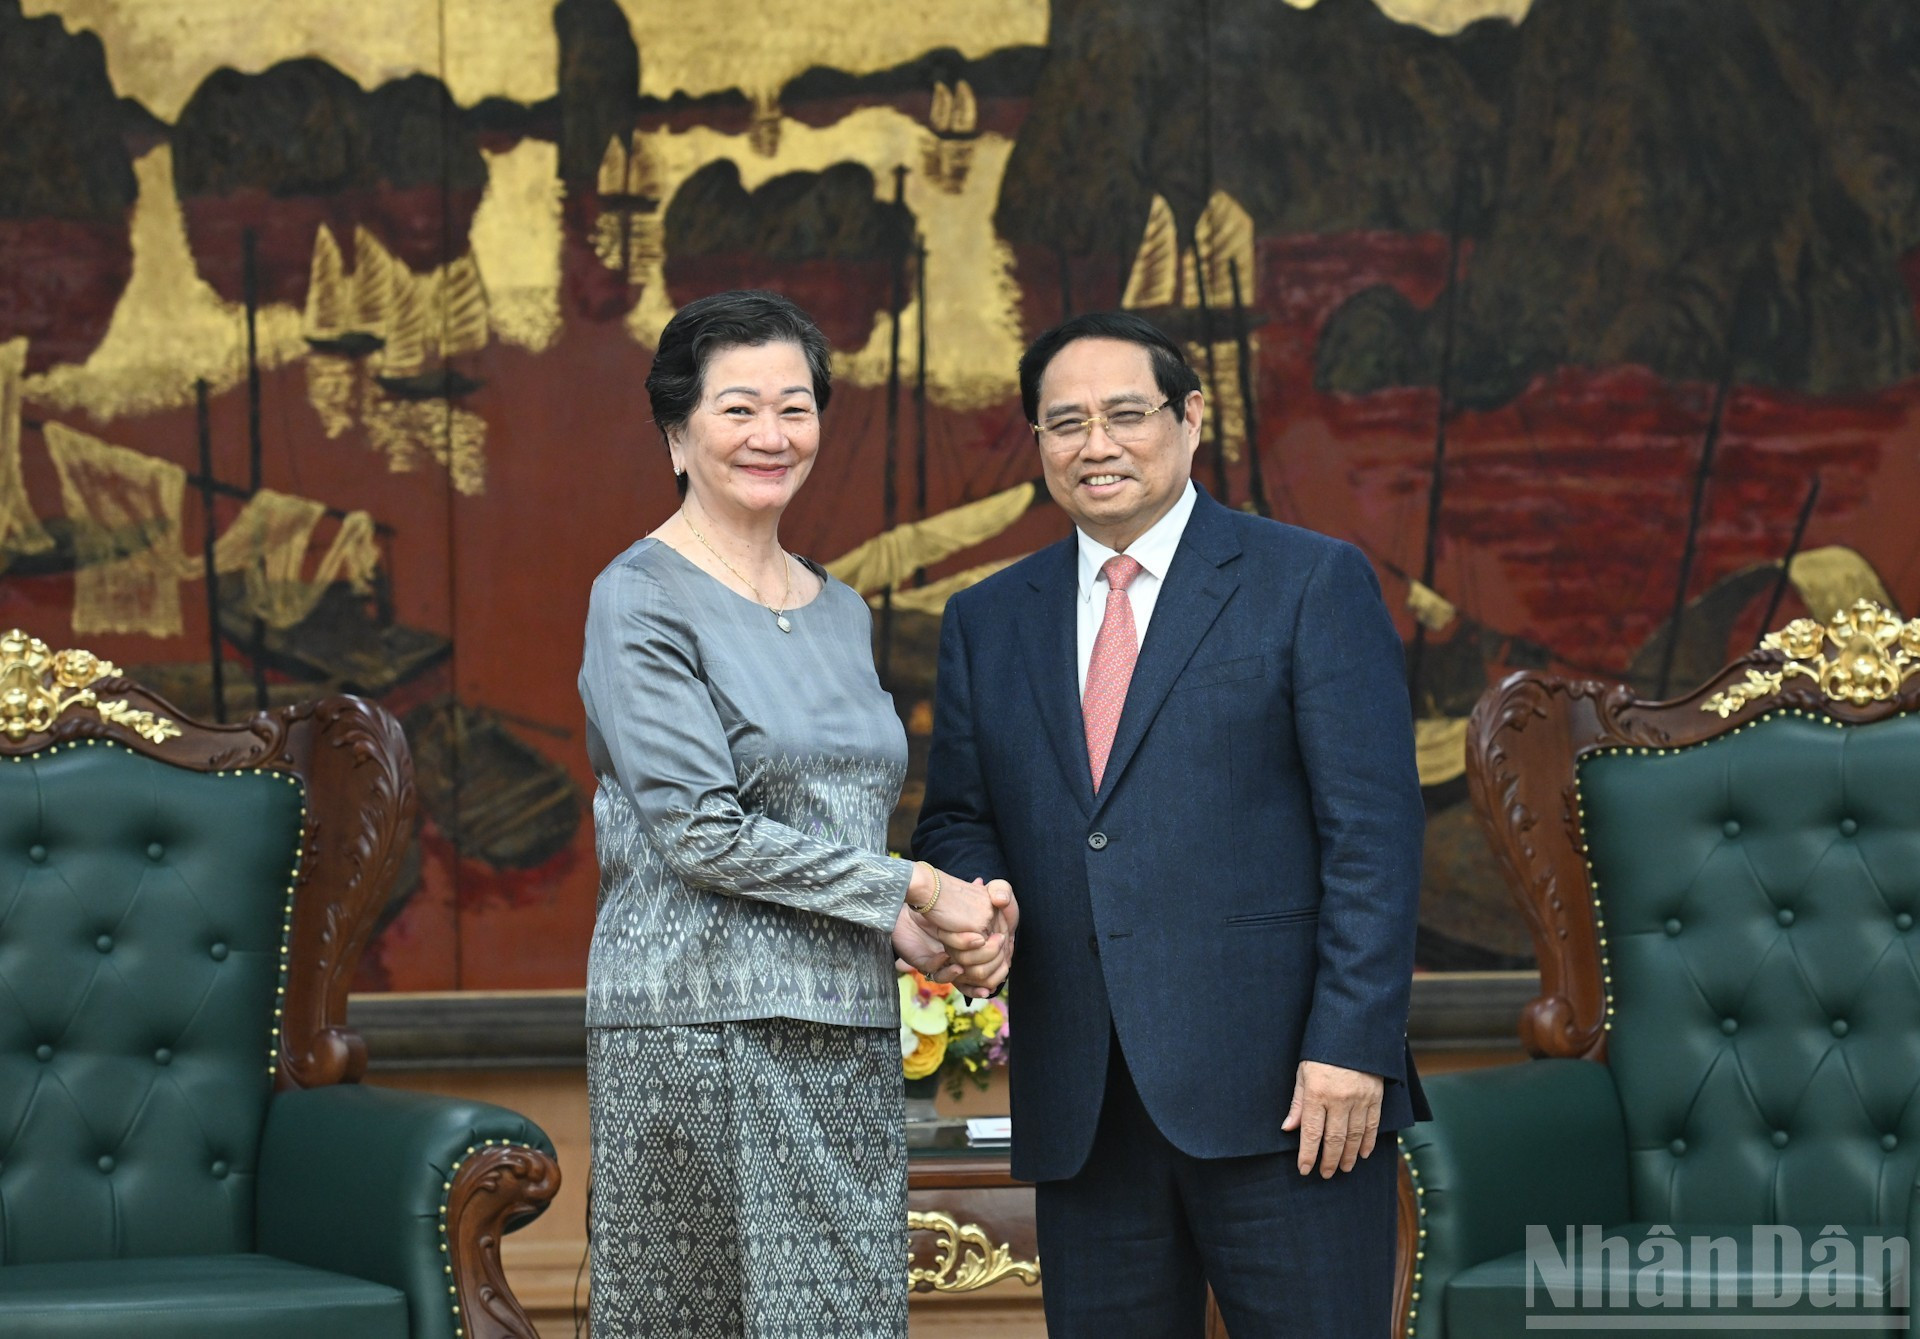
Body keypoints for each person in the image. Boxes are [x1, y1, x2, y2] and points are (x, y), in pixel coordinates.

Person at [912, 311, 1428, 1337]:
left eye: (1124, 414)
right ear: (1041, 445)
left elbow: (1372, 834)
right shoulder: (987, 618)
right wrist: (977, 894)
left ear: (1191, 419)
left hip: (1291, 1102)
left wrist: (1350, 1046)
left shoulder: (1306, 581)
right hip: (1087, 1113)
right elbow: (958, 818)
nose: (1095, 444)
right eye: (1065, 423)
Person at [578, 289, 1013, 1339]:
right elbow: (699, 831)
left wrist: (914, 933)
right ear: (676, 432)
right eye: (738, 409)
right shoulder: (639, 596)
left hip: (843, 1023)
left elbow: (835, 821)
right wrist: (911, 882)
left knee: (845, 1320)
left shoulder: (839, 604)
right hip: (695, 1024)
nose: (771, 435)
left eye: (795, 407)